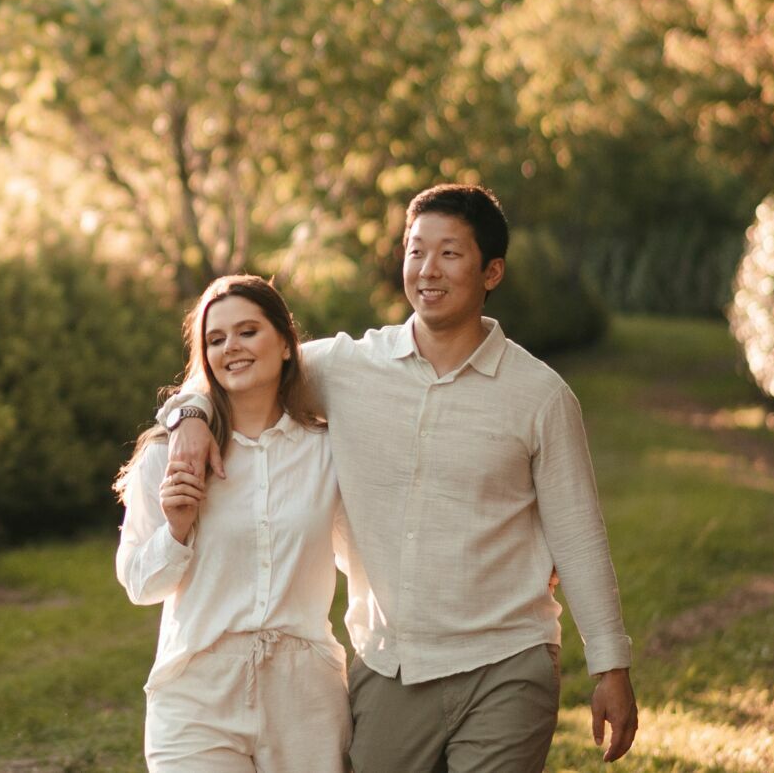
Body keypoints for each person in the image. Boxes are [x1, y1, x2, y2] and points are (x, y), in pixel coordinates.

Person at [157, 184, 637, 772]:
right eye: (415, 251)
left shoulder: (539, 397)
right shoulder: (346, 368)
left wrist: (610, 666)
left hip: (508, 659)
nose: (427, 270)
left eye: (450, 254)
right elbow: (238, 361)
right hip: (390, 666)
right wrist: (189, 415)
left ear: (492, 271)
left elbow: (580, 537)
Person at [116, 274, 349, 773]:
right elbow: (139, 584)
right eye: (215, 339)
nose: (231, 348)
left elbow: (371, 548)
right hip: (197, 694)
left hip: (305, 695)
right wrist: (176, 530)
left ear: (287, 344)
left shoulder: (327, 451)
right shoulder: (167, 455)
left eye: (247, 331)